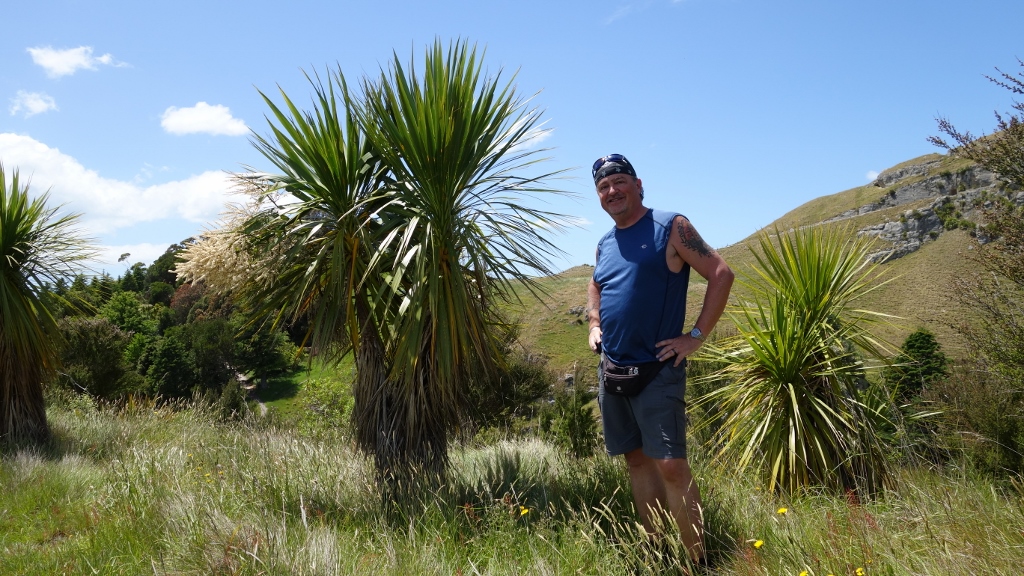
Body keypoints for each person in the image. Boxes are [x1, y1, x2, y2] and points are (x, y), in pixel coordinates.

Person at [586, 153, 733, 563]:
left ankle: (697, 565)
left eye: (619, 181)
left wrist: (695, 337)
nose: (611, 191)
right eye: (603, 186)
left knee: (670, 466)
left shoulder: (671, 227)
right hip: (612, 367)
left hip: (658, 369)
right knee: (636, 461)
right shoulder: (605, 243)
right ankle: (655, 556)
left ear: (637, 184)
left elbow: (721, 273)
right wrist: (594, 323)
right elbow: (596, 285)